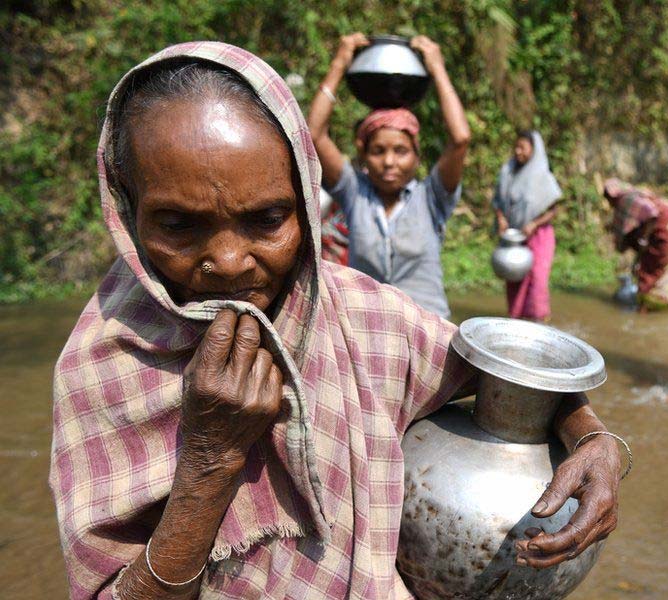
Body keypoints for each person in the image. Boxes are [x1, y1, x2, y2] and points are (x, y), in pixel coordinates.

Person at [48, 42, 624, 599]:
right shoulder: (105, 365)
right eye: (177, 225)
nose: (227, 262)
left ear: (304, 199)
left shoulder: (363, 316)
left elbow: (508, 377)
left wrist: (594, 439)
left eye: (268, 218)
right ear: (127, 208)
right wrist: (210, 462)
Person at [307, 33, 468, 318]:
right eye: (378, 151)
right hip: (367, 330)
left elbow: (460, 138)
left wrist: (438, 68)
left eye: (401, 151)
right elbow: (314, 134)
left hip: (429, 332)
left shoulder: (431, 197)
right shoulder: (355, 193)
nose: (390, 162)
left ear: (417, 156)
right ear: (364, 157)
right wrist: (339, 64)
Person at [493, 130, 561, 321]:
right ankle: (516, 322)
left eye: (522, 147)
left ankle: (539, 322)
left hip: (539, 236)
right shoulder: (508, 172)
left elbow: (554, 209)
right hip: (515, 237)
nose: (518, 151)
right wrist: (501, 218)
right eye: (516, 147)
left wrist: (534, 223)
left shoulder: (543, 177)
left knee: (537, 280)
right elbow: (498, 201)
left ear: (534, 149)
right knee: (514, 280)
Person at [603, 178, 668, 311]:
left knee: (652, 265)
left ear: (611, 195)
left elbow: (651, 213)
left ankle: (645, 307)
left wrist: (644, 238)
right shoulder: (638, 194)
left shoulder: (626, 199)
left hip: (666, 226)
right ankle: (662, 303)